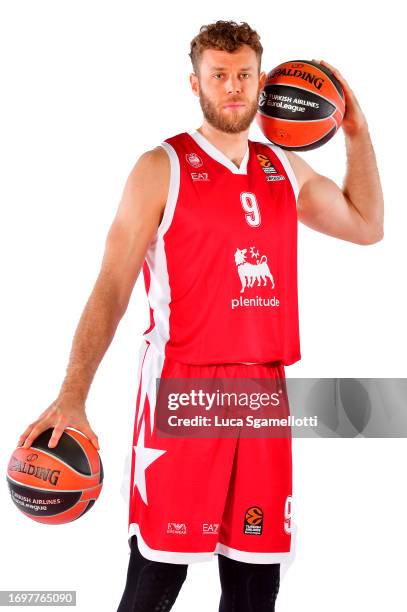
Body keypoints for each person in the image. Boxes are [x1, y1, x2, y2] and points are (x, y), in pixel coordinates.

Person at [17, 20, 383, 612]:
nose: (232, 88)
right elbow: (111, 286)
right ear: (196, 84)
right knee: (157, 578)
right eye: (219, 76)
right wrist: (72, 395)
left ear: (262, 82)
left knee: (255, 582)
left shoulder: (282, 169)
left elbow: (367, 225)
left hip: (264, 392)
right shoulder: (161, 167)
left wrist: (358, 134)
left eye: (243, 75)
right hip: (183, 390)